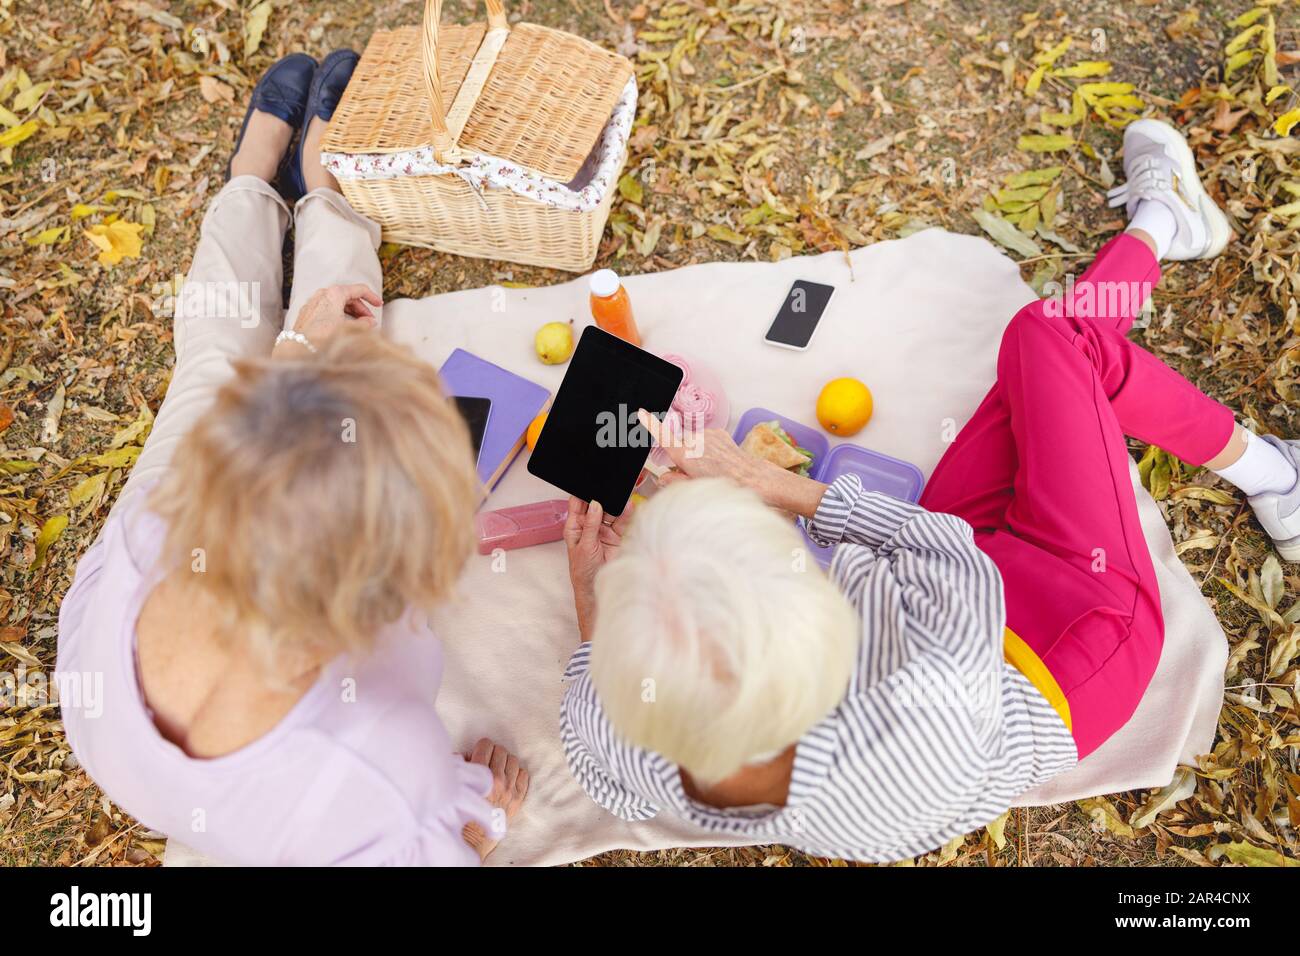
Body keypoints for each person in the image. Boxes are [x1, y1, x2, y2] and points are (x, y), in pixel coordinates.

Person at [558, 119, 1300, 861]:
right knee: (1052, 337)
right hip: (1078, 643)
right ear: (821, 633)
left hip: (954, 601)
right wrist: (773, 487)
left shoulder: (647, 747)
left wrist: (597, 598)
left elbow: (599, 756)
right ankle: (1272, 468)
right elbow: (946, 547)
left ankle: (1162, 227)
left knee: (1039, 363)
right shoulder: (930, 701)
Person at [55, 52, 528, 865]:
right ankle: (325, 194)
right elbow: (446, 844)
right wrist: (482, 822)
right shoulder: (389, 758)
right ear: (392, 586)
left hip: (123, 728)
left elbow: (266, 455)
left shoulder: (150, 535)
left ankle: (252, 181)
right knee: (329, 330)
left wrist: (300, 347)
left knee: (210, 364)